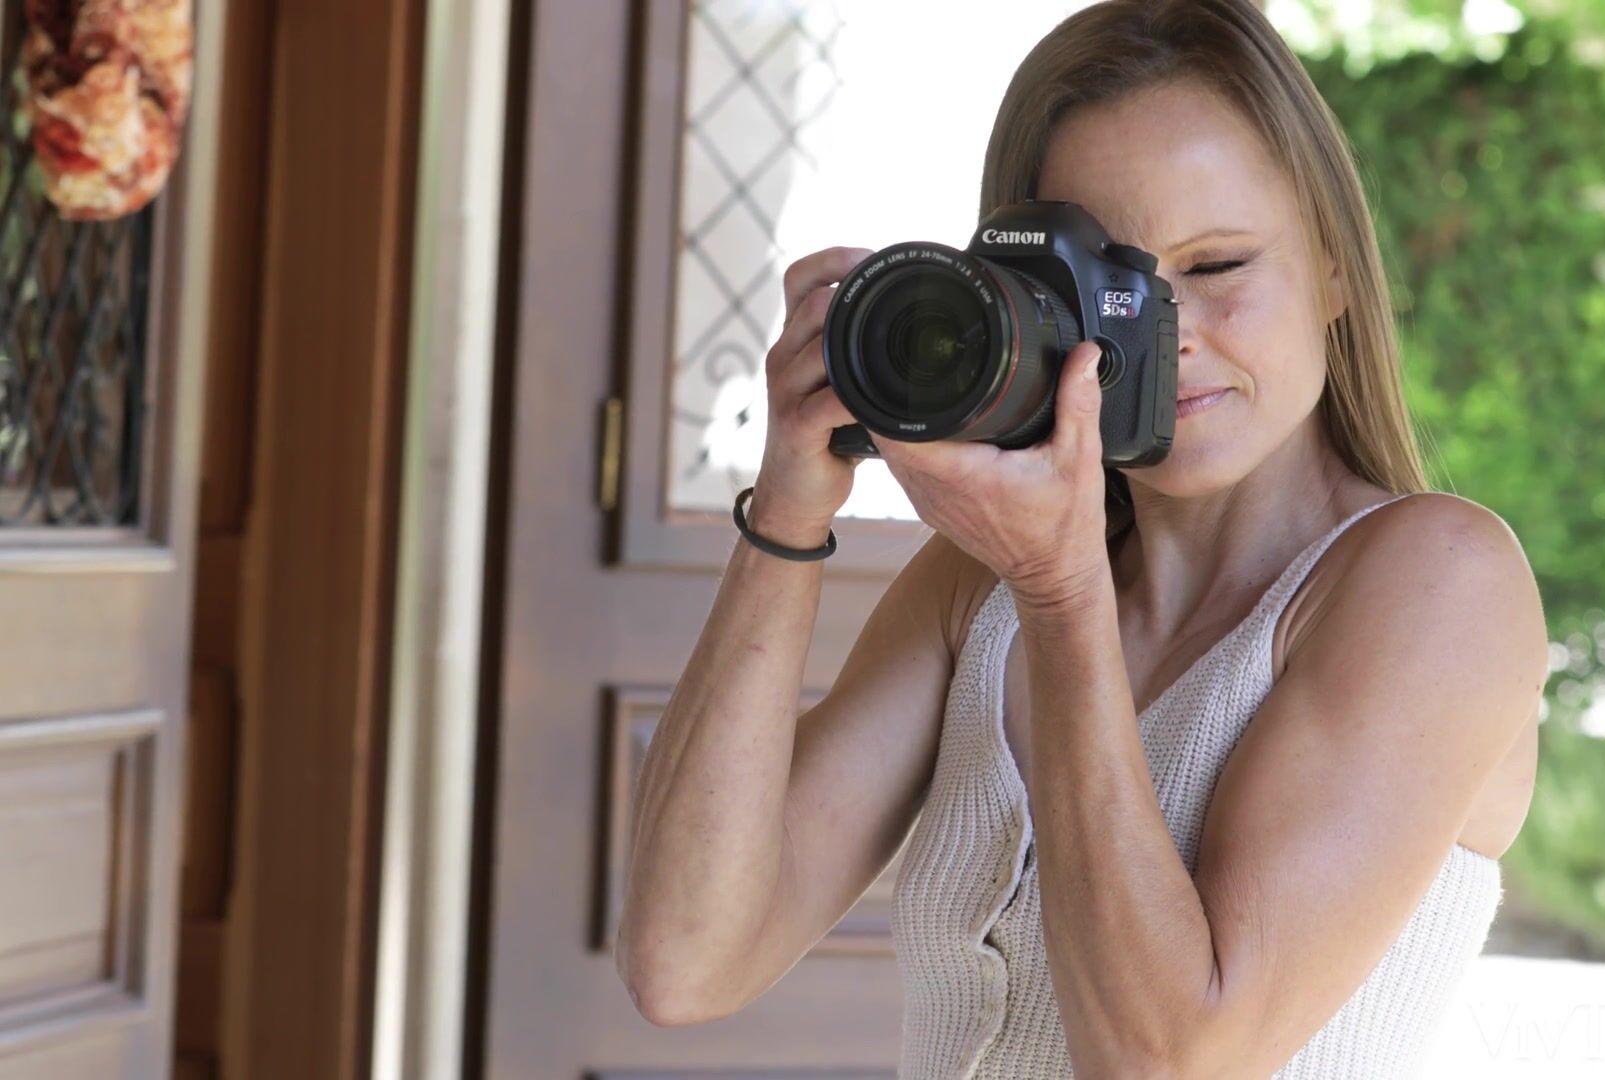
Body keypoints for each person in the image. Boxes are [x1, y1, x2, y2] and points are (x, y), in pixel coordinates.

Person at [615, 0, 1547, 1075]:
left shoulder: (1437, 584)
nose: (1170, 334)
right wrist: (788, 508)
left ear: (1334, 264)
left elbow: (1171, 1059)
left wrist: (1062, 595)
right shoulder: (983, 587)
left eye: (1219, 265)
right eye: (1113, 286)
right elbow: (685, 961)